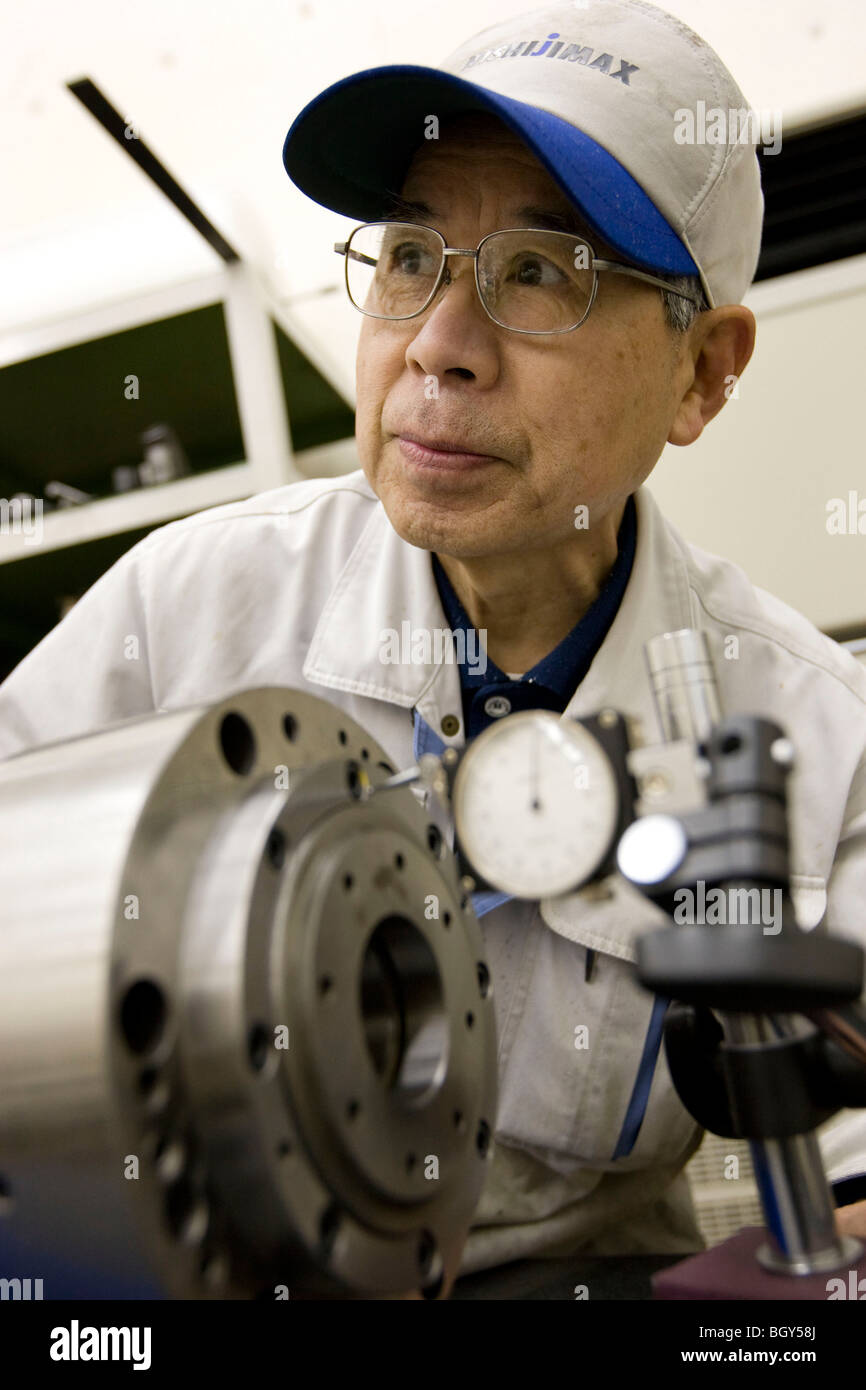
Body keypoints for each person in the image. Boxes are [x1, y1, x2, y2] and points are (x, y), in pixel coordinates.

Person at [2, 0, 865, 1284]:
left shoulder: (814, 734)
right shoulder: (193, 611)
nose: (439, 350)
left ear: (701, 375)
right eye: (411, 257)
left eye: (539, 273)